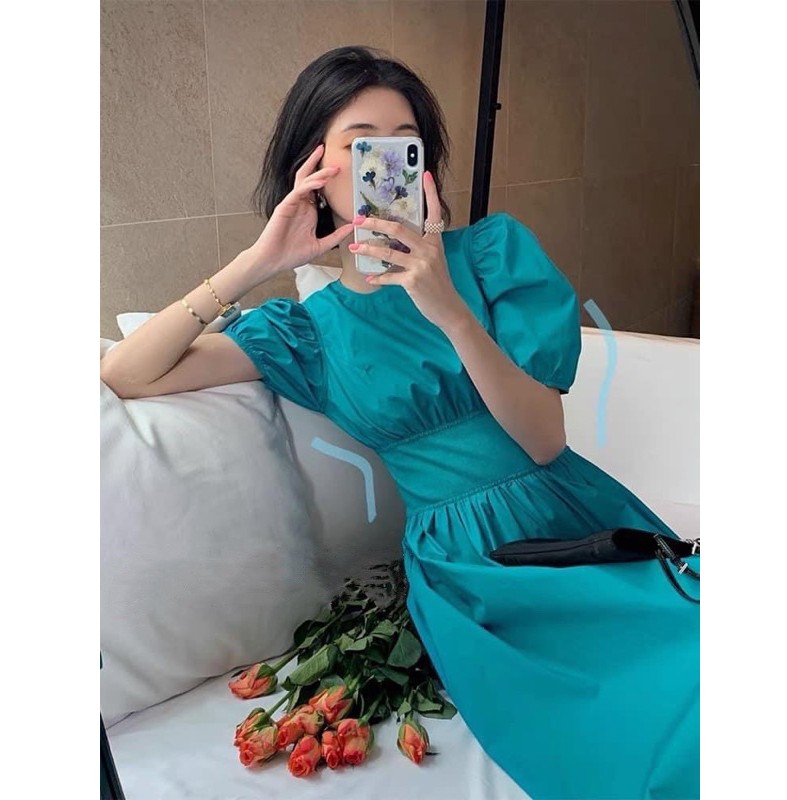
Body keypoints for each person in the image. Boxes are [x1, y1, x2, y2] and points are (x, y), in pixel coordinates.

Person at [100, 46, 699, 800]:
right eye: (362, 146)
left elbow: (544, 440)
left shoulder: (492, 255)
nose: (387, 165)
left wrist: (448, 309)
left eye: (405, 143)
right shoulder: (310, 332)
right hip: (468, 575)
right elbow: (128, 373)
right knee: (624, 742)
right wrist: (256, 262)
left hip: (569, 521)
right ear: (314, 168)